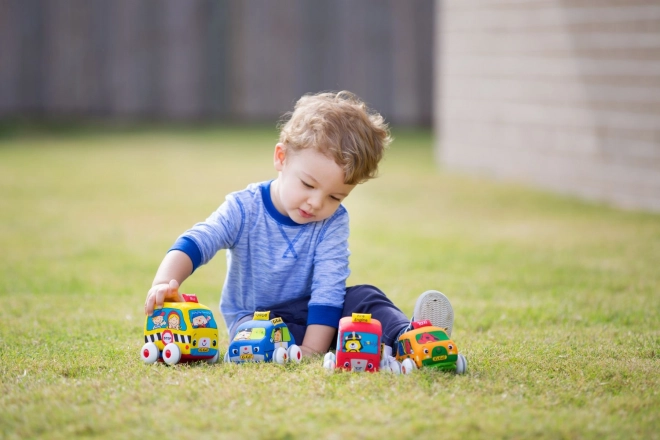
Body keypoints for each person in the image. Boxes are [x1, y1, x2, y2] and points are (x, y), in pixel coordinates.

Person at [143, 90, 454, 363]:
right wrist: (165, 283)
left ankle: (408, 338)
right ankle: (323, 345)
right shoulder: (243, 207)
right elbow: (198, 241)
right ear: (281, 158)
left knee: (364, 298)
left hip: (319, 318)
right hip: (257, 319)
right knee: (263, 332)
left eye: (335, 196)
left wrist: (313, 348)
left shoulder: (332, 221)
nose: (316, 203)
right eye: (308, 184)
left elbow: (329, 288)